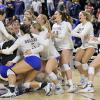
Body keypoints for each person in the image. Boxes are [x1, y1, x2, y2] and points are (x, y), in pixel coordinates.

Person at [0, 23, 53, 98]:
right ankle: (46, 85)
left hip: (31, 60)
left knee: (10, 71)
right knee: (26, 83)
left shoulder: (20, 39)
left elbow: (9, 51)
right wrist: (47, 38)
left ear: (21, 31)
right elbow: (45, 45)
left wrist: (1, 51)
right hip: (38, 61)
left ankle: (11, 92)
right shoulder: (36, 36)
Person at [36, 14, 64, 94]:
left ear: (43, 20)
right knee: (37, 71)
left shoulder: (45, 30)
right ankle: (52, 82)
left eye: (38, 18)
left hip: (52, 54)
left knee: (48, 70)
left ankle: (59, 87)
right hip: (44, 56)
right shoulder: (39, 30)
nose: (36, 19)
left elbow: (44, 44)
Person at [69, 11, 97, 88]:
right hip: (84, 45)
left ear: (85, 16)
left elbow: (81, 35)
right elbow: (73, 32)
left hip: (91, 45)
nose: (79, 16)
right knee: (76, 60)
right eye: (79, 15)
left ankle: (87, 81)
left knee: (84, 61)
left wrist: (70, 32)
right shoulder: (79, 25)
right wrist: (69, 32)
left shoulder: (89, 25)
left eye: (81, 15)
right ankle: (83, 78)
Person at [51, 10, 76, 92]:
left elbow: (62, 36)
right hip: (57, 47)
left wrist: (51, 34)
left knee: (65, 64)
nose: (54, 15)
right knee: (59, 66)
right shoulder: (54, 25)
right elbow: (53, 38)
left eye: (56, 14)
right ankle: (62, 79)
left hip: (65, 46)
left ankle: (71, 84)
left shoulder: (65, 24)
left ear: (60, 16)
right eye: (54, 14)